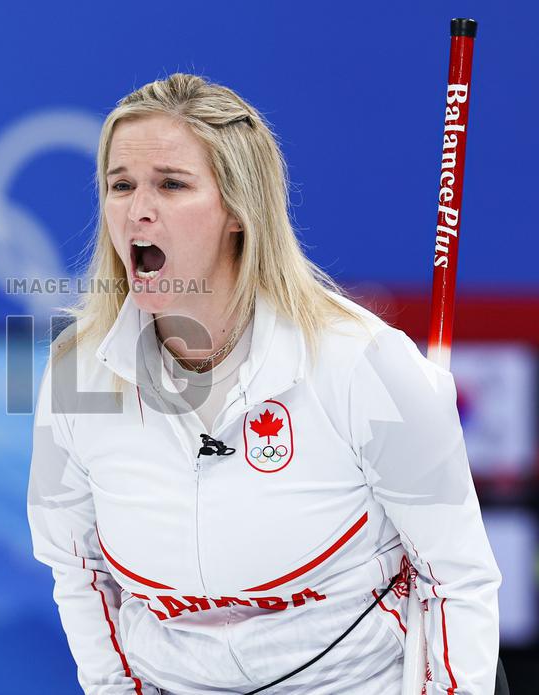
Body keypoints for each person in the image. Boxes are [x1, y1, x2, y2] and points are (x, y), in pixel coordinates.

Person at [26, 73, 502, 694]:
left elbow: (456, 578)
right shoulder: (77, 371)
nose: (137, 208)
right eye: (120, 185)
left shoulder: (361, 363)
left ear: (237, 212)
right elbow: (77, 567)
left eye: (171, 184)